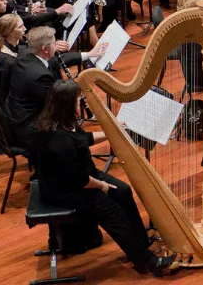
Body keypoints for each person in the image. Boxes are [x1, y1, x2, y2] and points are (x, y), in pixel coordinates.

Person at [35, 80, 175, 276]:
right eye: (78, 98)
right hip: (65, 189)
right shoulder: (59, 141)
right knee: (113, 212)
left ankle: (140, 242)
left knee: (124, 191)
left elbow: (84, 139)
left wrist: (114, 129)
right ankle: (147, 261)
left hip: (82, 176)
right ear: (68, 103)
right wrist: (103, 186)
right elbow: (80, 181)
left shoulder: (65, 121)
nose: (80, 101)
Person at [4, 26, 107, 150]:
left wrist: (88, 54)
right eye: (54, 43)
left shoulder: (26, 56)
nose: (56, 46)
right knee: (66, 128)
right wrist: (74, 96)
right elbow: (57, 108)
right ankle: (102, 137)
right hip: (27, 128)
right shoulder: (40, 77)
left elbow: (56, 61)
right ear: (45, 49)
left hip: (16, 117)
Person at [0, 14, 27, 108]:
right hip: (9, 107)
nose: (25, 29)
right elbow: (9, 91)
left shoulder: (10, 43)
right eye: (20, 27)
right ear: (10, 32)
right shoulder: (8, 62)